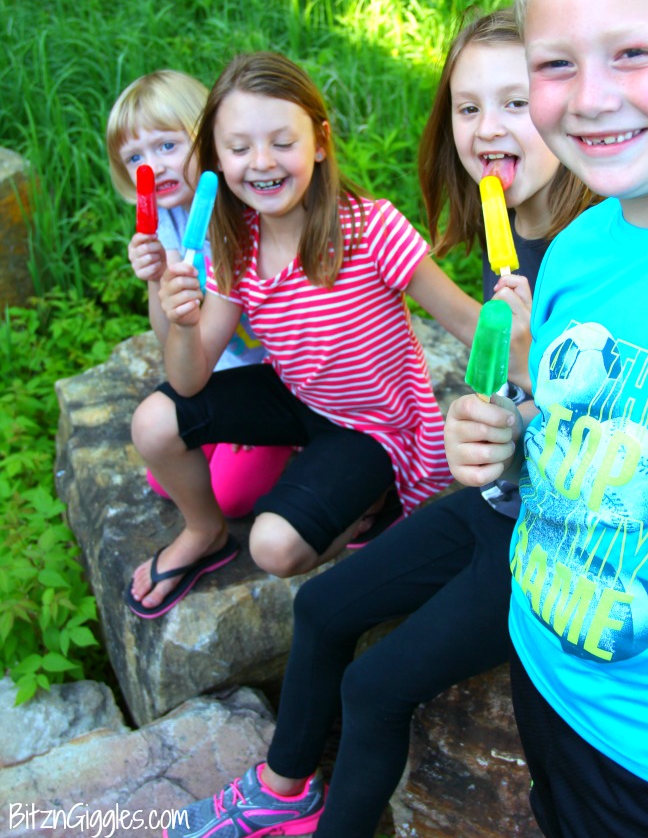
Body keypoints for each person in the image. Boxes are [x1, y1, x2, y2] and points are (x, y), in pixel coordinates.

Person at [161, 11, 594, 838]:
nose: (486, 129)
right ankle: (282, 791)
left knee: (372, 686)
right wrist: (508, 390)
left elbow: (610, 431)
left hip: (555, 543)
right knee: (322, 608)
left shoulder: (595, 245)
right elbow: (185, 373)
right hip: (503, 502)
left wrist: (529, 378)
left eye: (513, 101)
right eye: (467, 108)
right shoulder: (520, 238)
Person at [445, 0, 648, 838]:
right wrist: (505, 449)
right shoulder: (581, 247)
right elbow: (562, 442)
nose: (588, 99)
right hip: (546, 669)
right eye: (554, 63)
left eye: (632, 51)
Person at [128, 50, 487, 618]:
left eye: (282, 142)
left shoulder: (371, 229)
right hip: (298, 397)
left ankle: (378, 496)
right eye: (239, 147)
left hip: (373, 429)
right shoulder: (234, 242)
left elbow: (467, 320)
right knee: (152, 421)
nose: (261, 162)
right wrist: (182, 321)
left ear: (319, 141)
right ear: (217, 158)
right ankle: (205, 533)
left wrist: (528, 367)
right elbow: (189, 378)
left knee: (274, 546)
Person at [106, 71, 291, 527]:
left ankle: (294, 447)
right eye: (135, 157)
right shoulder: (165, 222)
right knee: (163, 480)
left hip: (281, 379)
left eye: (168, 146)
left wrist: (251, 417)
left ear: (208, 137)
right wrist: (156, 280)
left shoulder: (243, 211)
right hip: (213, 371)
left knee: (228, 498)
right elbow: (173, 340)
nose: (153, 167)